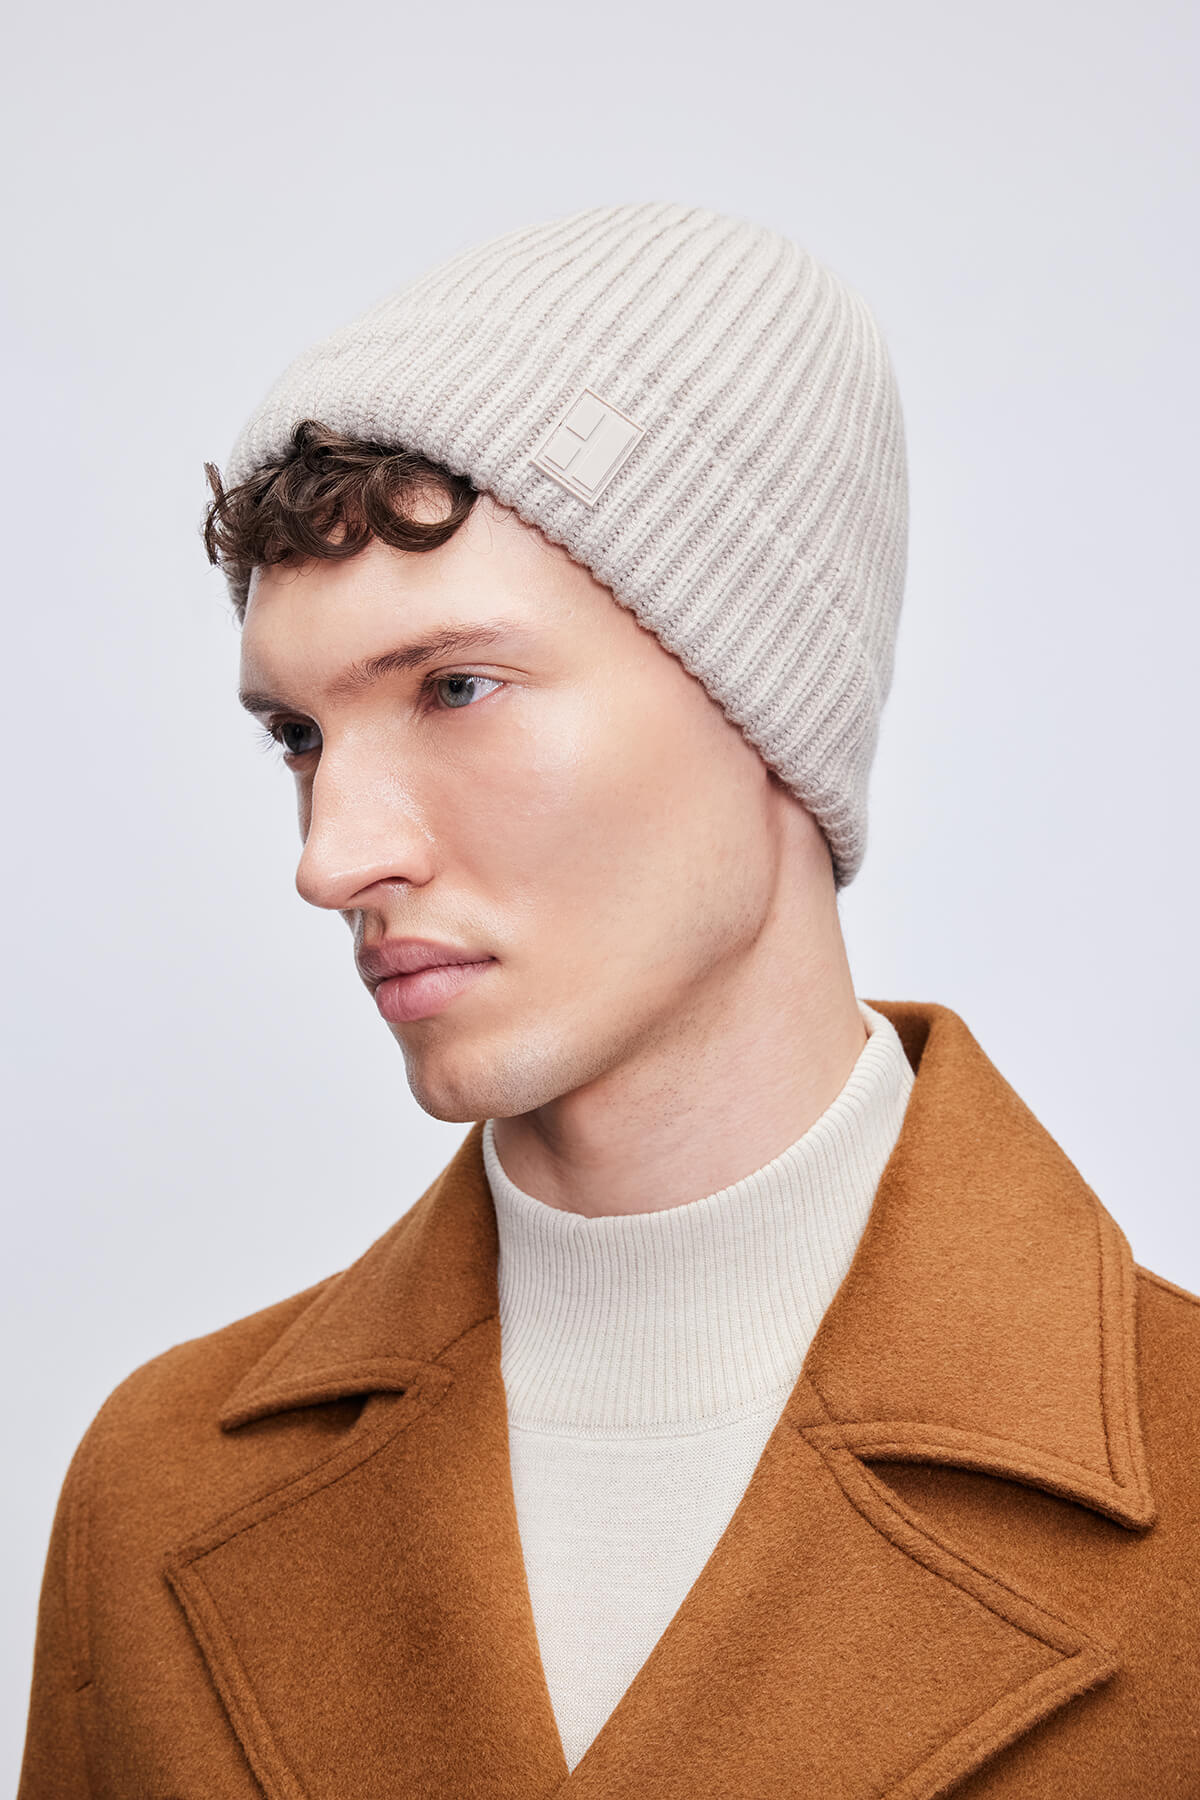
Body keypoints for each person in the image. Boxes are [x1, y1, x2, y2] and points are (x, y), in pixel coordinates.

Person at [18, 202, 1200, 1798]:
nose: (332, 857)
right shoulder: (156, 1486)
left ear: (765, 706)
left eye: (457, 688)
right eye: (299, 736)